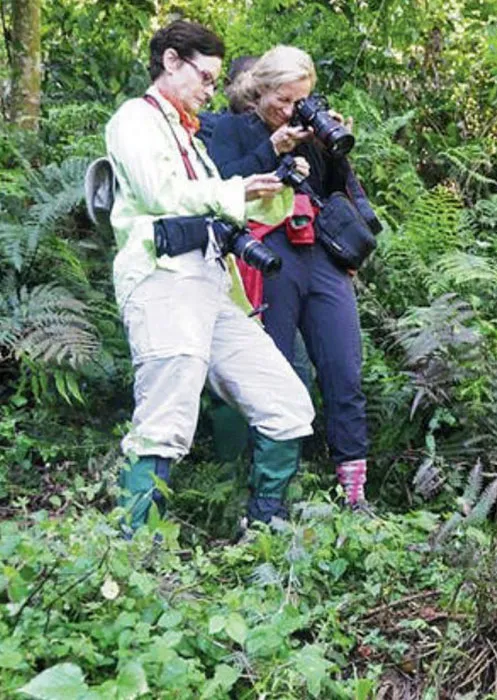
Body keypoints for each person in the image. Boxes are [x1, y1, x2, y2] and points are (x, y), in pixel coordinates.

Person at [104, 21, 315, 532]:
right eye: (203, 77)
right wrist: (235, 192)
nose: (209, 90)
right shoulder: (135, 119)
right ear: (171, 61)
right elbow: (160, 192)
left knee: (287, 405)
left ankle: (262, 532)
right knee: (164, 425)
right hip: (161, 282)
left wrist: (272, 184)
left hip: (213, 286)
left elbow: (223, 204)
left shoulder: (191, 137)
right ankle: (133, 557)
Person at [209, 45, 381, 508]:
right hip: (267, 254)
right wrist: (273, 148)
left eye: (299, 100)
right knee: (277, 373)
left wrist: (329, 140)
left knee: (344, 370)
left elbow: (339, 187)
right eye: (281, 100)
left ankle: (353, 492)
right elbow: (217, 187)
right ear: (260, 91)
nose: (289, 110)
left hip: (320, 253)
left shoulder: (312, 127)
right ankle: (273, 493)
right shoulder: (229, 130)